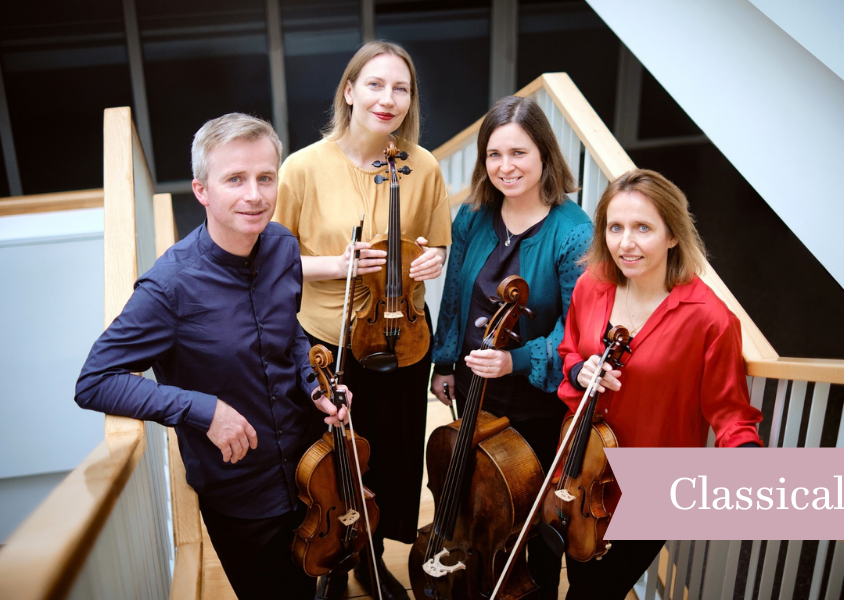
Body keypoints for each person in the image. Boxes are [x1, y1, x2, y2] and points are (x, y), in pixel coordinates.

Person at [75, 113, 349, 600]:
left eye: (266, 177)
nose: (255, 195)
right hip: (243, 496)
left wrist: (315, 384)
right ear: (202, 191)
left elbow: (290, 337)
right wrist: (204, 410)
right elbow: (95, 381)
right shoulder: (168, 286)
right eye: (235, 180)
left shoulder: (284, 246)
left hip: (311, 473)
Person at [274, 41, 452, 600]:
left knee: (392, 459)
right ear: (349, 91)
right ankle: (330, 561)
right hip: (328, 346)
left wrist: (432, 259)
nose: (388, 98)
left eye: (401, 88)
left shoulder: (421, 166)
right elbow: (273, 262)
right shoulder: (301, 168)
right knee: (332, 461)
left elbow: (439, 246)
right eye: (375, 84)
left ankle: (369, 564)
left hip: (401, 341)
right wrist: (336, 265)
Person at [557, 168, 763, 599]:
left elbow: (729, 415)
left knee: (596, 591)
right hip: (582, 470)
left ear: (672, 236)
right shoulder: (591, 285)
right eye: (615, 227)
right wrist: (580, 370)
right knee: (578, 576)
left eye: (643, 228)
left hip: (650, 493)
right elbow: (569, 352)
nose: (625, 243)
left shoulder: (710, 320)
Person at [430, 95, 593, 600]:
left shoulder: (574, 231)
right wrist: (443, 361)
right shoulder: (473, 217)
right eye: (494, 155)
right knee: (476, 506)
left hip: (538, 401)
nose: (506, 167)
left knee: (532, 519)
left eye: (519, 153)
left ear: (544, 153)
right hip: (476, 392)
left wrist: (516, 360)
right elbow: (456, 294)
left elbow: (576, 325)